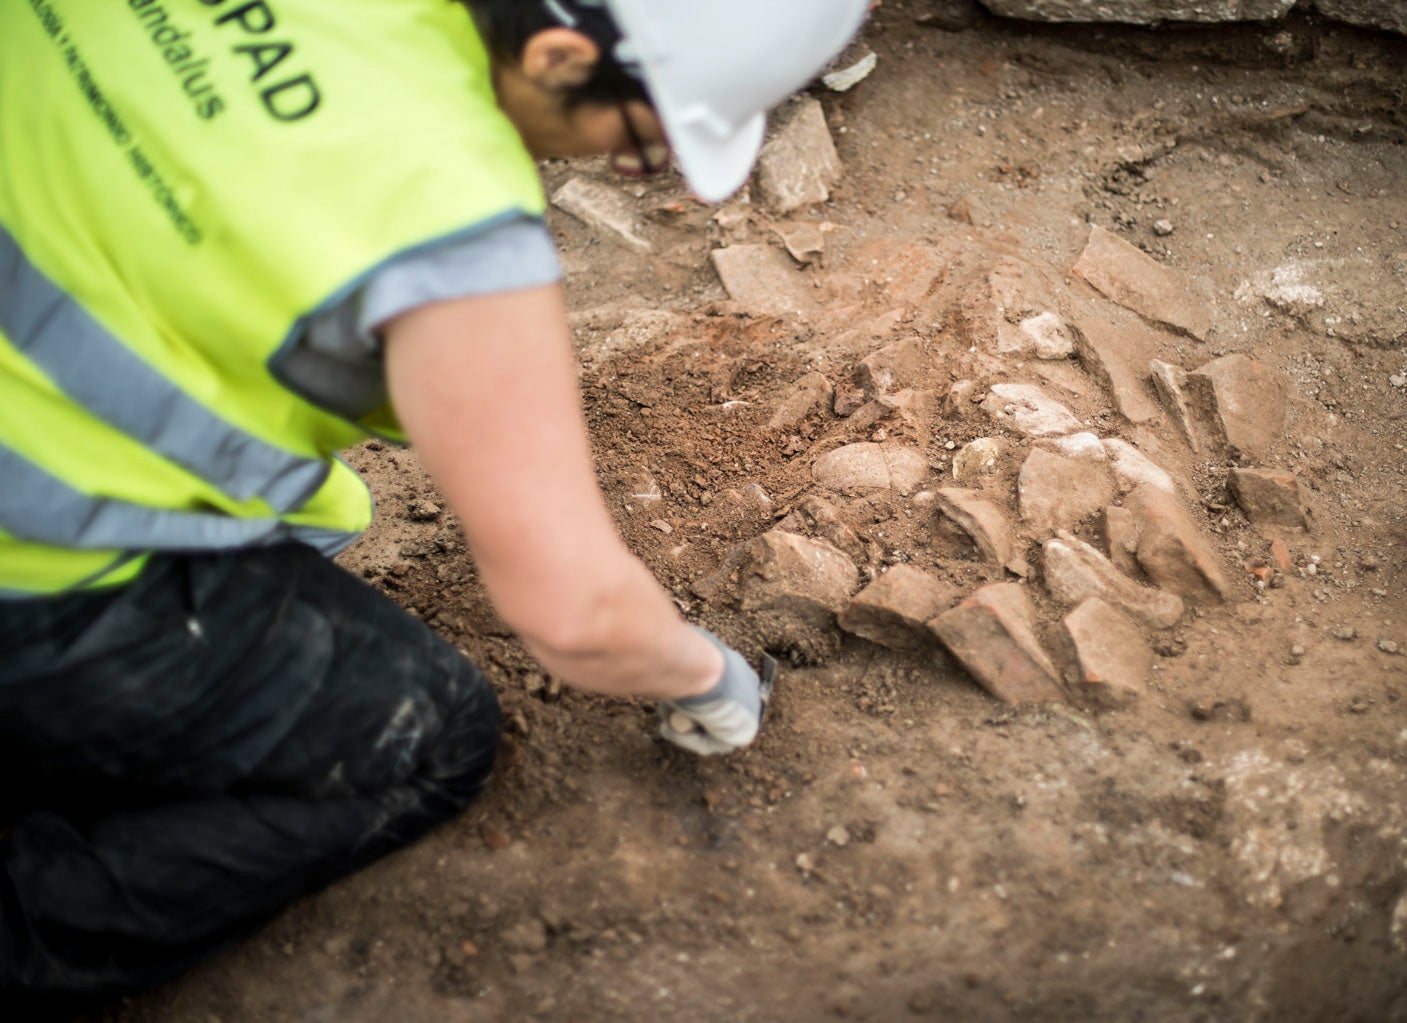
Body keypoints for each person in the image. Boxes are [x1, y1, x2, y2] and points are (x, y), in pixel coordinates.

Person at [0, 0, 870, 1002]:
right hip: (34, 566)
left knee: (319, 522)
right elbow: (574, 612)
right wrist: (707, 678)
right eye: (644, 142)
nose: (654, 165)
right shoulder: (440, 217)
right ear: (557, 55)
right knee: (427, 738)